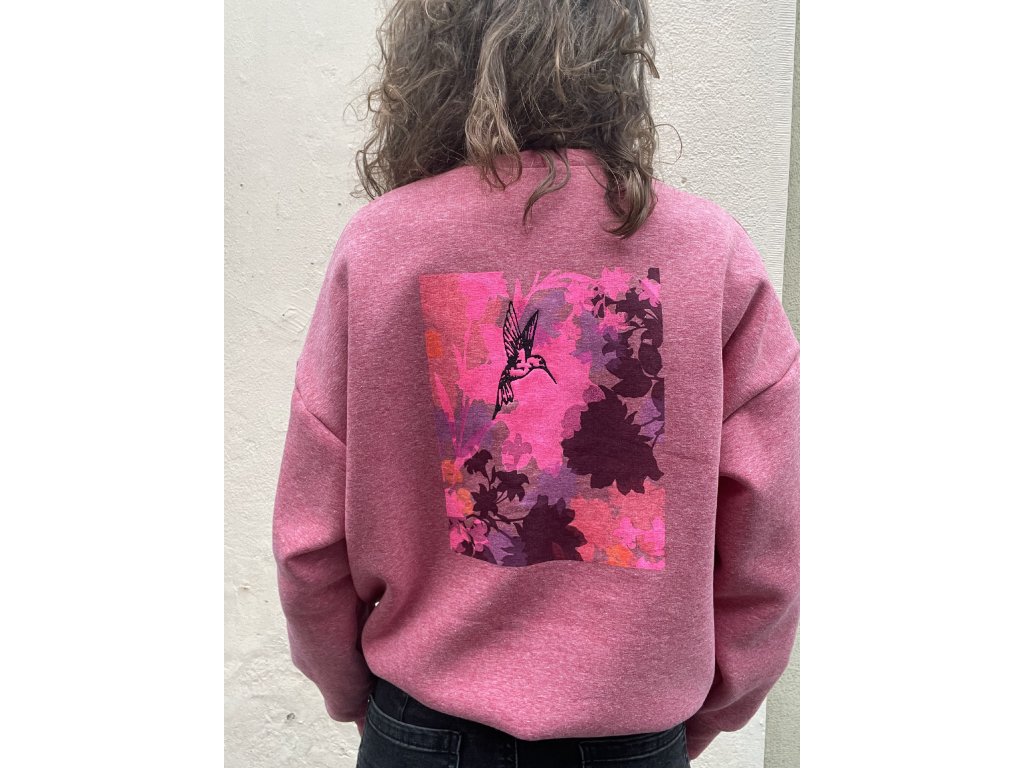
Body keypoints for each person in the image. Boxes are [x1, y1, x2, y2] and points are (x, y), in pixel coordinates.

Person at [271, 1, 799, 766]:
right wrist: (703, 714)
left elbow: (309, 547)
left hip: (423, 727)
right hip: (631, 740)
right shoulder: (712, 254)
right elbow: (769, 554)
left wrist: (360, 700)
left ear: (434, 61)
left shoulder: (381, 246)